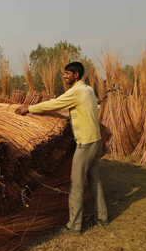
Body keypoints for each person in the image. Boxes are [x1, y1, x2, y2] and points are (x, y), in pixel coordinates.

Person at [15, 62, 108, 236]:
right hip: (96, 141)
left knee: (77, 185)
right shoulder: (88, 90)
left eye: (67, 73)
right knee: (94, 180)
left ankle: (74, 227)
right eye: (64, 73)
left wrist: (29, 108)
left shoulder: (76, 91)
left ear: (77, 75)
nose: (64, 76)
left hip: (86, 143)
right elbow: (76, 110)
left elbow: (54, 104)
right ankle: (102, 216)